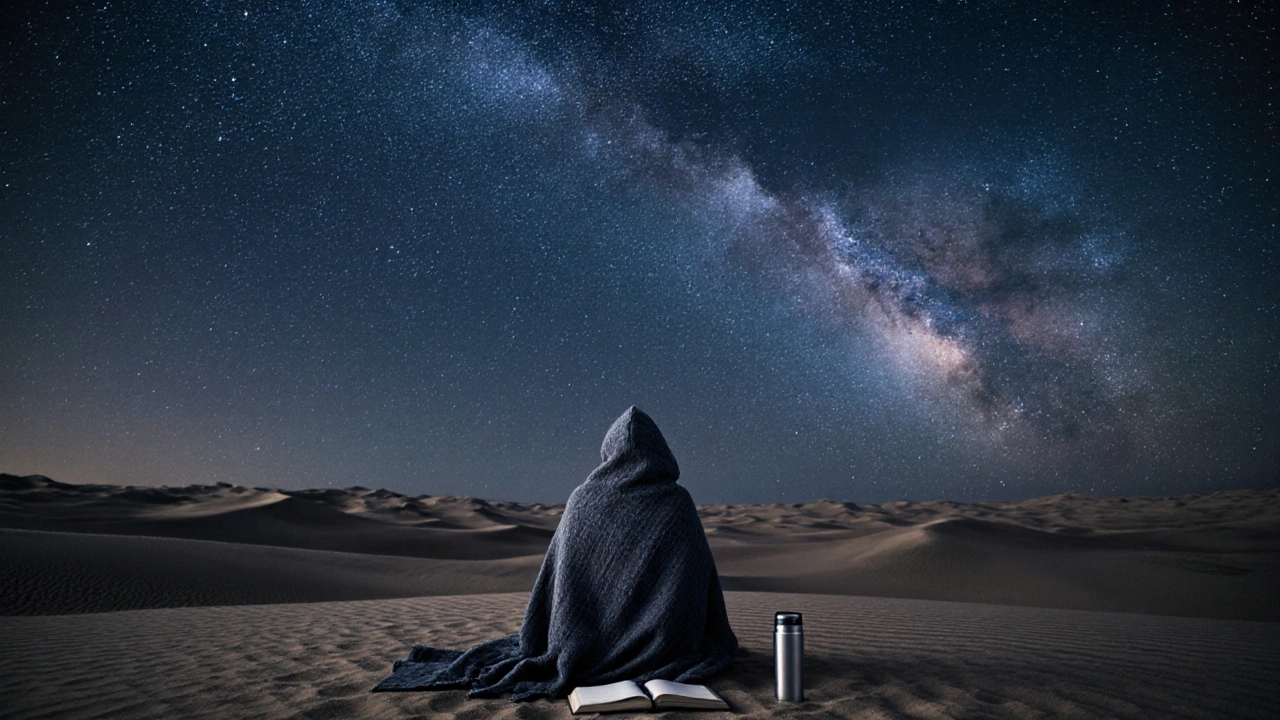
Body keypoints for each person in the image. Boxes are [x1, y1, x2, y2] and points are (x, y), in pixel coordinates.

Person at [373, 406, 738, 700]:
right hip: (667, 650)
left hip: (580, 644)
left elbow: (555, 585)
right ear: (661, 450)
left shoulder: (584, 499)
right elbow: (697, 590)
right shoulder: (677, 503)